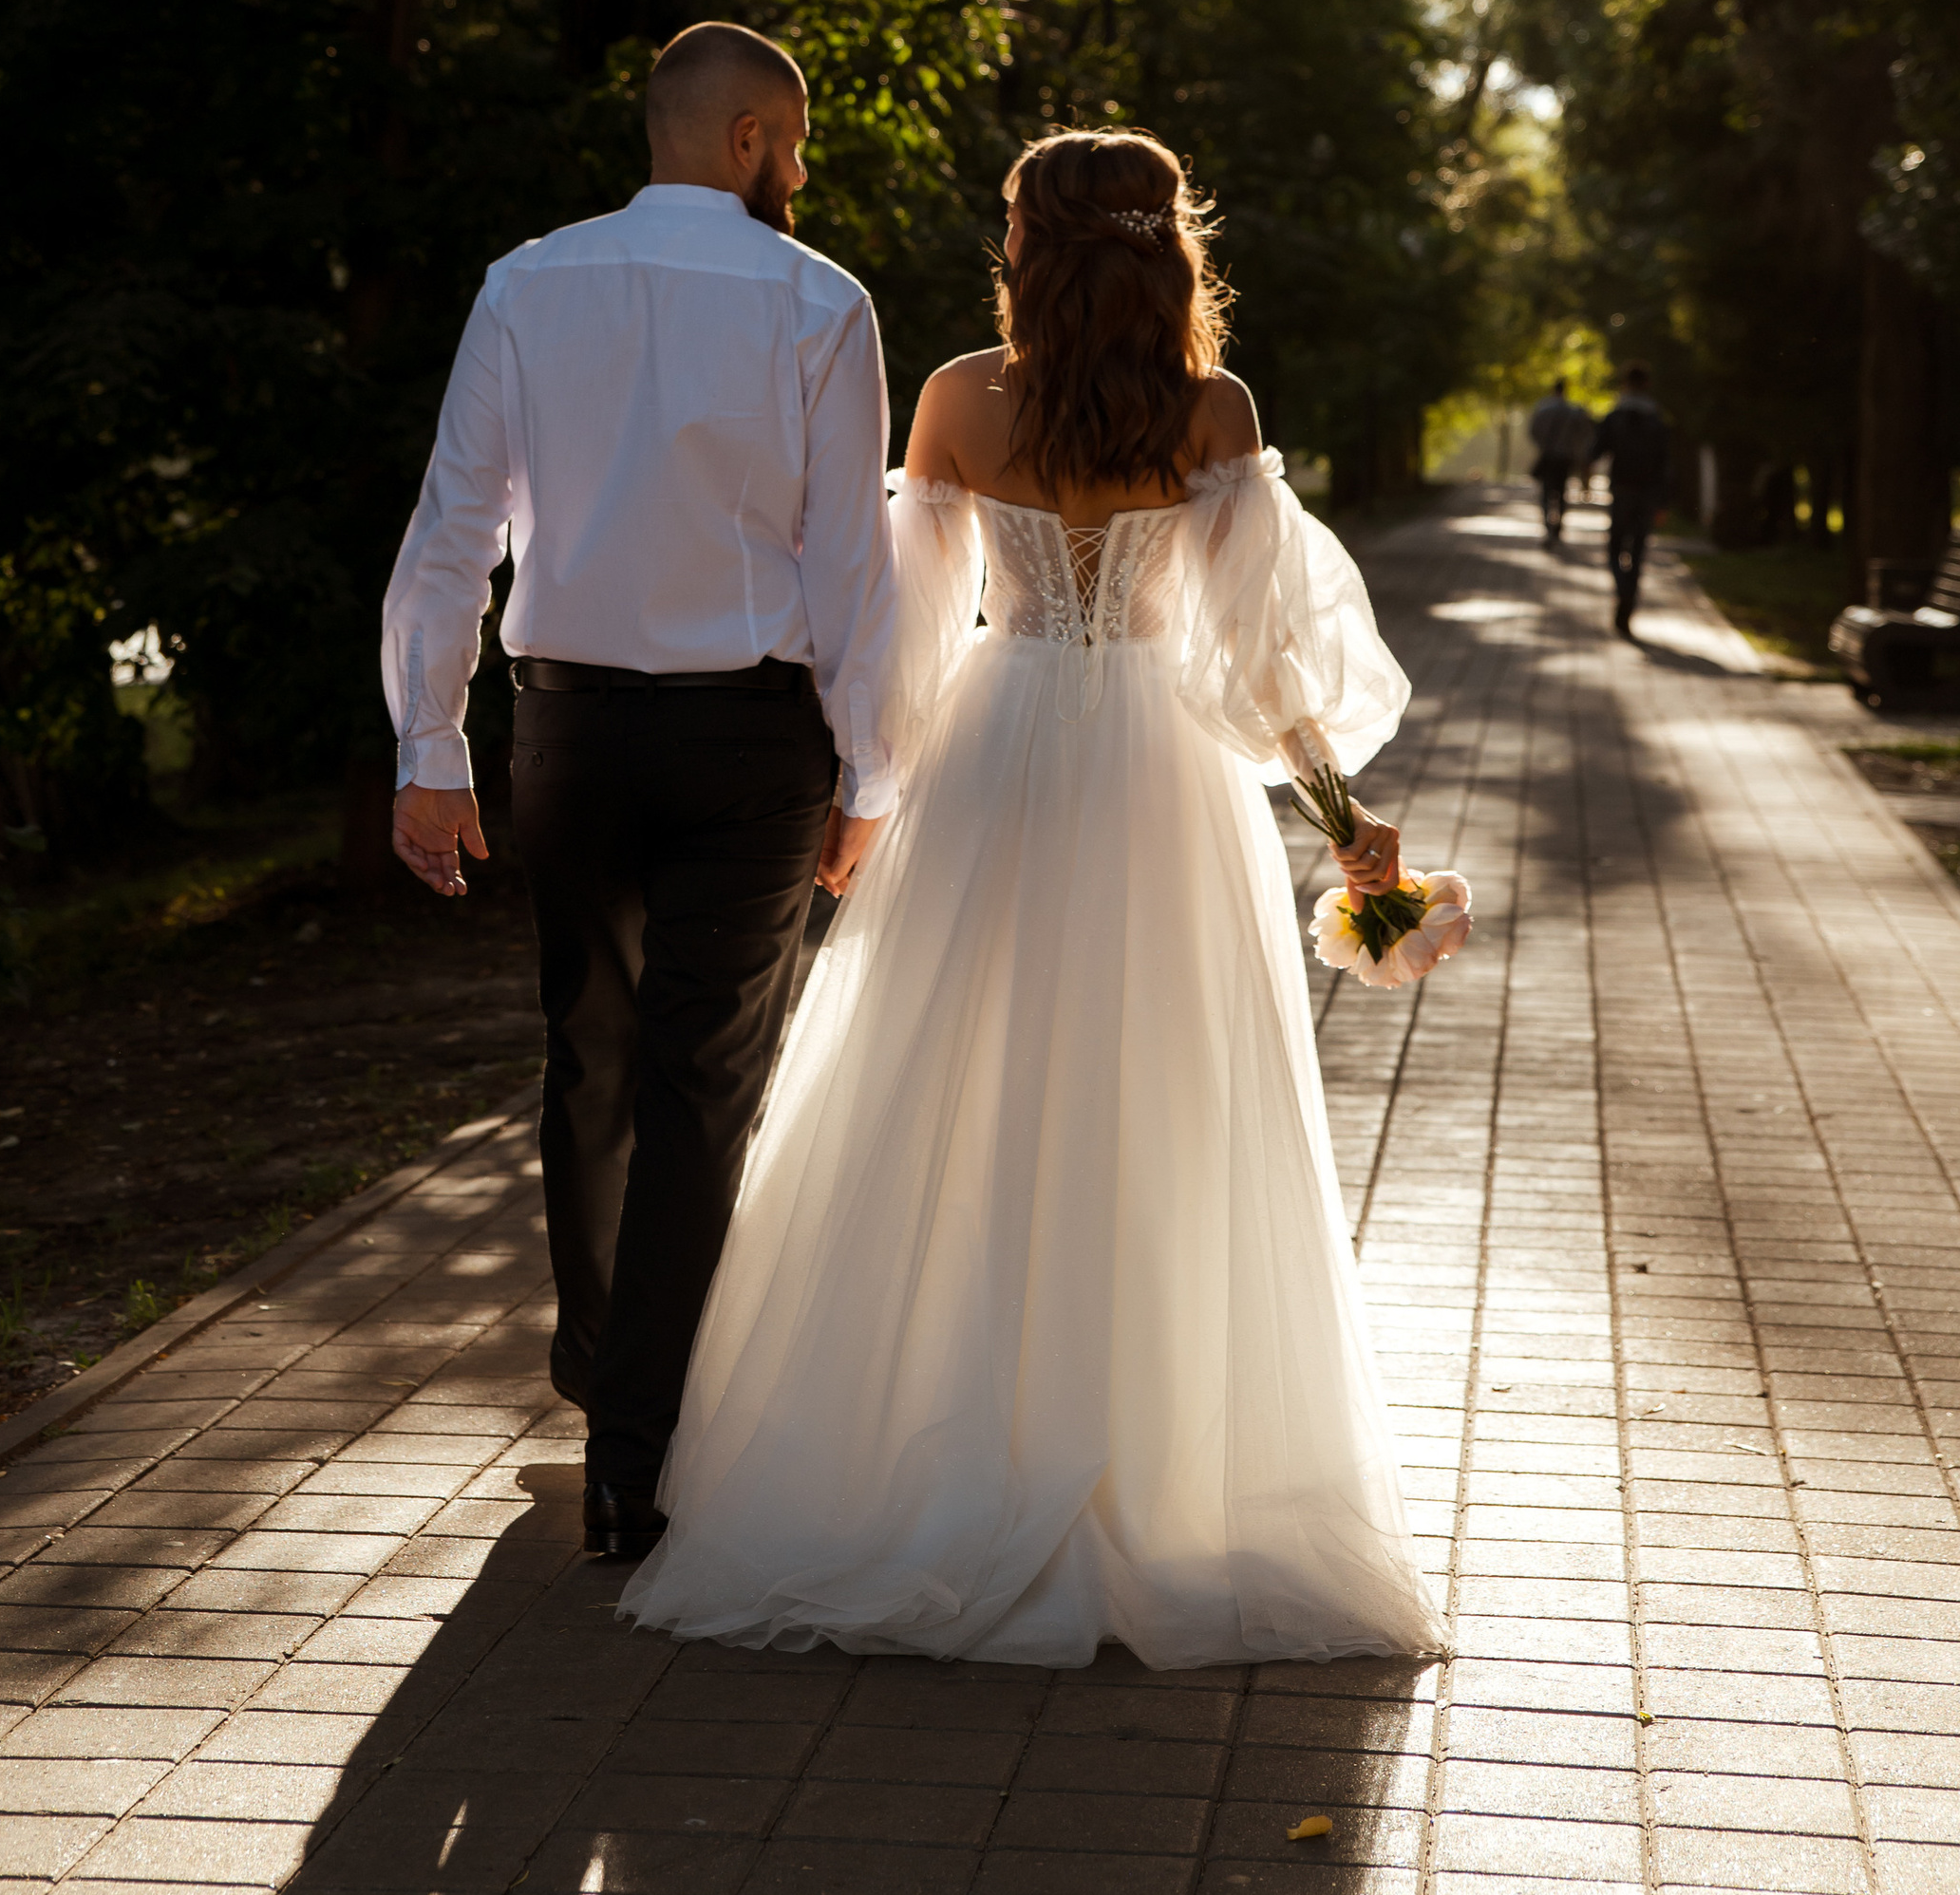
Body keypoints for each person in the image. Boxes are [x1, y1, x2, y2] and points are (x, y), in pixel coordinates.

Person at [619, 126, 1446, 1669]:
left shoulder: (957, 399)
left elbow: (898, 634)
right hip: (1161, 772)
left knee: (957, 1085)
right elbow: (1260, 660)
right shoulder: (1211, 408)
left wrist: (867, 797)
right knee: (1163, 1109)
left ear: (1030, 241)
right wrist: (1346, 820)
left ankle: (948, 1452)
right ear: (1163, 244)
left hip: (993, 760)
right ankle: (1152, 1467)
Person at [380, 23, 903, 1567]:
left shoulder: (529, 283)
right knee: (697, 1080)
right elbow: (848, 566)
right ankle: (635, 1443)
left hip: (569, 734)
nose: (803, 173)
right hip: (749, 743)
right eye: (796, 143)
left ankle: (605, 1356)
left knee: (590, 1048)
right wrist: (872, 771)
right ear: (746, 137)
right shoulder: (823, 302)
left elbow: (453, 525)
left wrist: (432, 748)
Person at [1592, 360, 1671, 637]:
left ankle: (1622, 589)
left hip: (1622, 492)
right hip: (1648, 495)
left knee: (1614, 549)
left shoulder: (1615, 416)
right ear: (1647, 384)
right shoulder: (1657, 420)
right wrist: (1663, 502)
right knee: (1637, 552)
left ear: (1625, 384)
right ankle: (1628, 605)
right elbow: (1665, 463)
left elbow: (1596, 450)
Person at [1527, 378, 1593, 546]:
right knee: (1562, 493)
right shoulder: (1573, 410)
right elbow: (1584, 433)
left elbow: (1533, 431)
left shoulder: (1543, 409)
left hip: (1548, 456)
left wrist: (1543, 445)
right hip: (1565, 458)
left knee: (1546, 493)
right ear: (1565, 390)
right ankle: (1558, 525)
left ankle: (1548, 526)